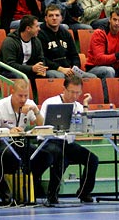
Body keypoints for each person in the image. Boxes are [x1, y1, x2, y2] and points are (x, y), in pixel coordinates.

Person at [0, 79, 53, 204]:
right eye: (20, 96)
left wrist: (36, 111)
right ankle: (6, 193)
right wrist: (9, 131)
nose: (23, 99)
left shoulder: (30, 105)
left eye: (26, 96)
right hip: (2, 142)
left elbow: (42, 126)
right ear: (12, 92)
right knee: (11, 157)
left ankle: (29, 184)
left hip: (21, 142)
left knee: (46, 157)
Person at [39, 75, 98, 204]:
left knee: (92, 159)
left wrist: (86, 104)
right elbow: (42, 125)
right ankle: (52, 195)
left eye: (78, 93)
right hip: (49, 141)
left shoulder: (78, 106)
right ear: (64, 89)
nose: (74, 96)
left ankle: (84, 192)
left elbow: (86, 126)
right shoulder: (51, 102)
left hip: (68, 143)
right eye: (72, 92)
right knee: (61, 158)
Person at [38, 5, 94, 79]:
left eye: (57, 15)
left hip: (68, 69)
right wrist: (60, 68)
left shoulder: (66, 33)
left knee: (91, 77)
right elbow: (42, 58)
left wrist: (75, 67)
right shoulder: (39, 34)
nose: (54, 18)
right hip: (51, 69)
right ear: (46, 18)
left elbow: (74, 55)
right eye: (51, 16)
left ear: (61, 18)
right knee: (60, 76)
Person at [0, 14, 54, 82]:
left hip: (27, 70)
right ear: (28, 29)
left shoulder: (36, 41)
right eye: (36, 26)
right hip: (6, 72)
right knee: (19, 77)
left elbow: (41, 58)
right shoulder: (10, 42)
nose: (39, 29)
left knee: (49, 75)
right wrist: (31, 68)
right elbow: (10, 65)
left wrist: (41, 68)